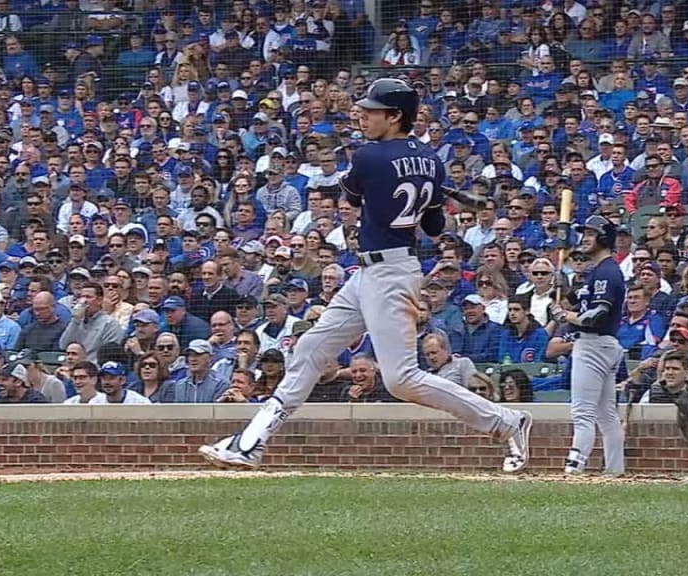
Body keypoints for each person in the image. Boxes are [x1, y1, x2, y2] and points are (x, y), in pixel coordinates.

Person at [198, 79, 531, 472]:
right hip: (373, 272)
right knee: (309, 350)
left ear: (396, 116)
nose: (364, 116)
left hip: (390, 274)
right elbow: (435, 222)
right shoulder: (430, 159)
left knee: (401, 379)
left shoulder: (370, 157)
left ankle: (506, 421)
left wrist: (369, 180)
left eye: (373, 111)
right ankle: (250, 443)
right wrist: (436, 191)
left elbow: (352, 196)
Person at [548, 215, 627, 475]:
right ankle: (615, 470)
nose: (585, 238)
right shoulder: (599, 271)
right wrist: (561, 289)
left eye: (591, 234)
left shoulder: (607, 271)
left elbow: (596, 315)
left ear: (604, 237)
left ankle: (574, 467)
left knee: (583, 413)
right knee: (606, 415)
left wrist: (563, 316)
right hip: (603, 345)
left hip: (594, 345)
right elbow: (581, 300)